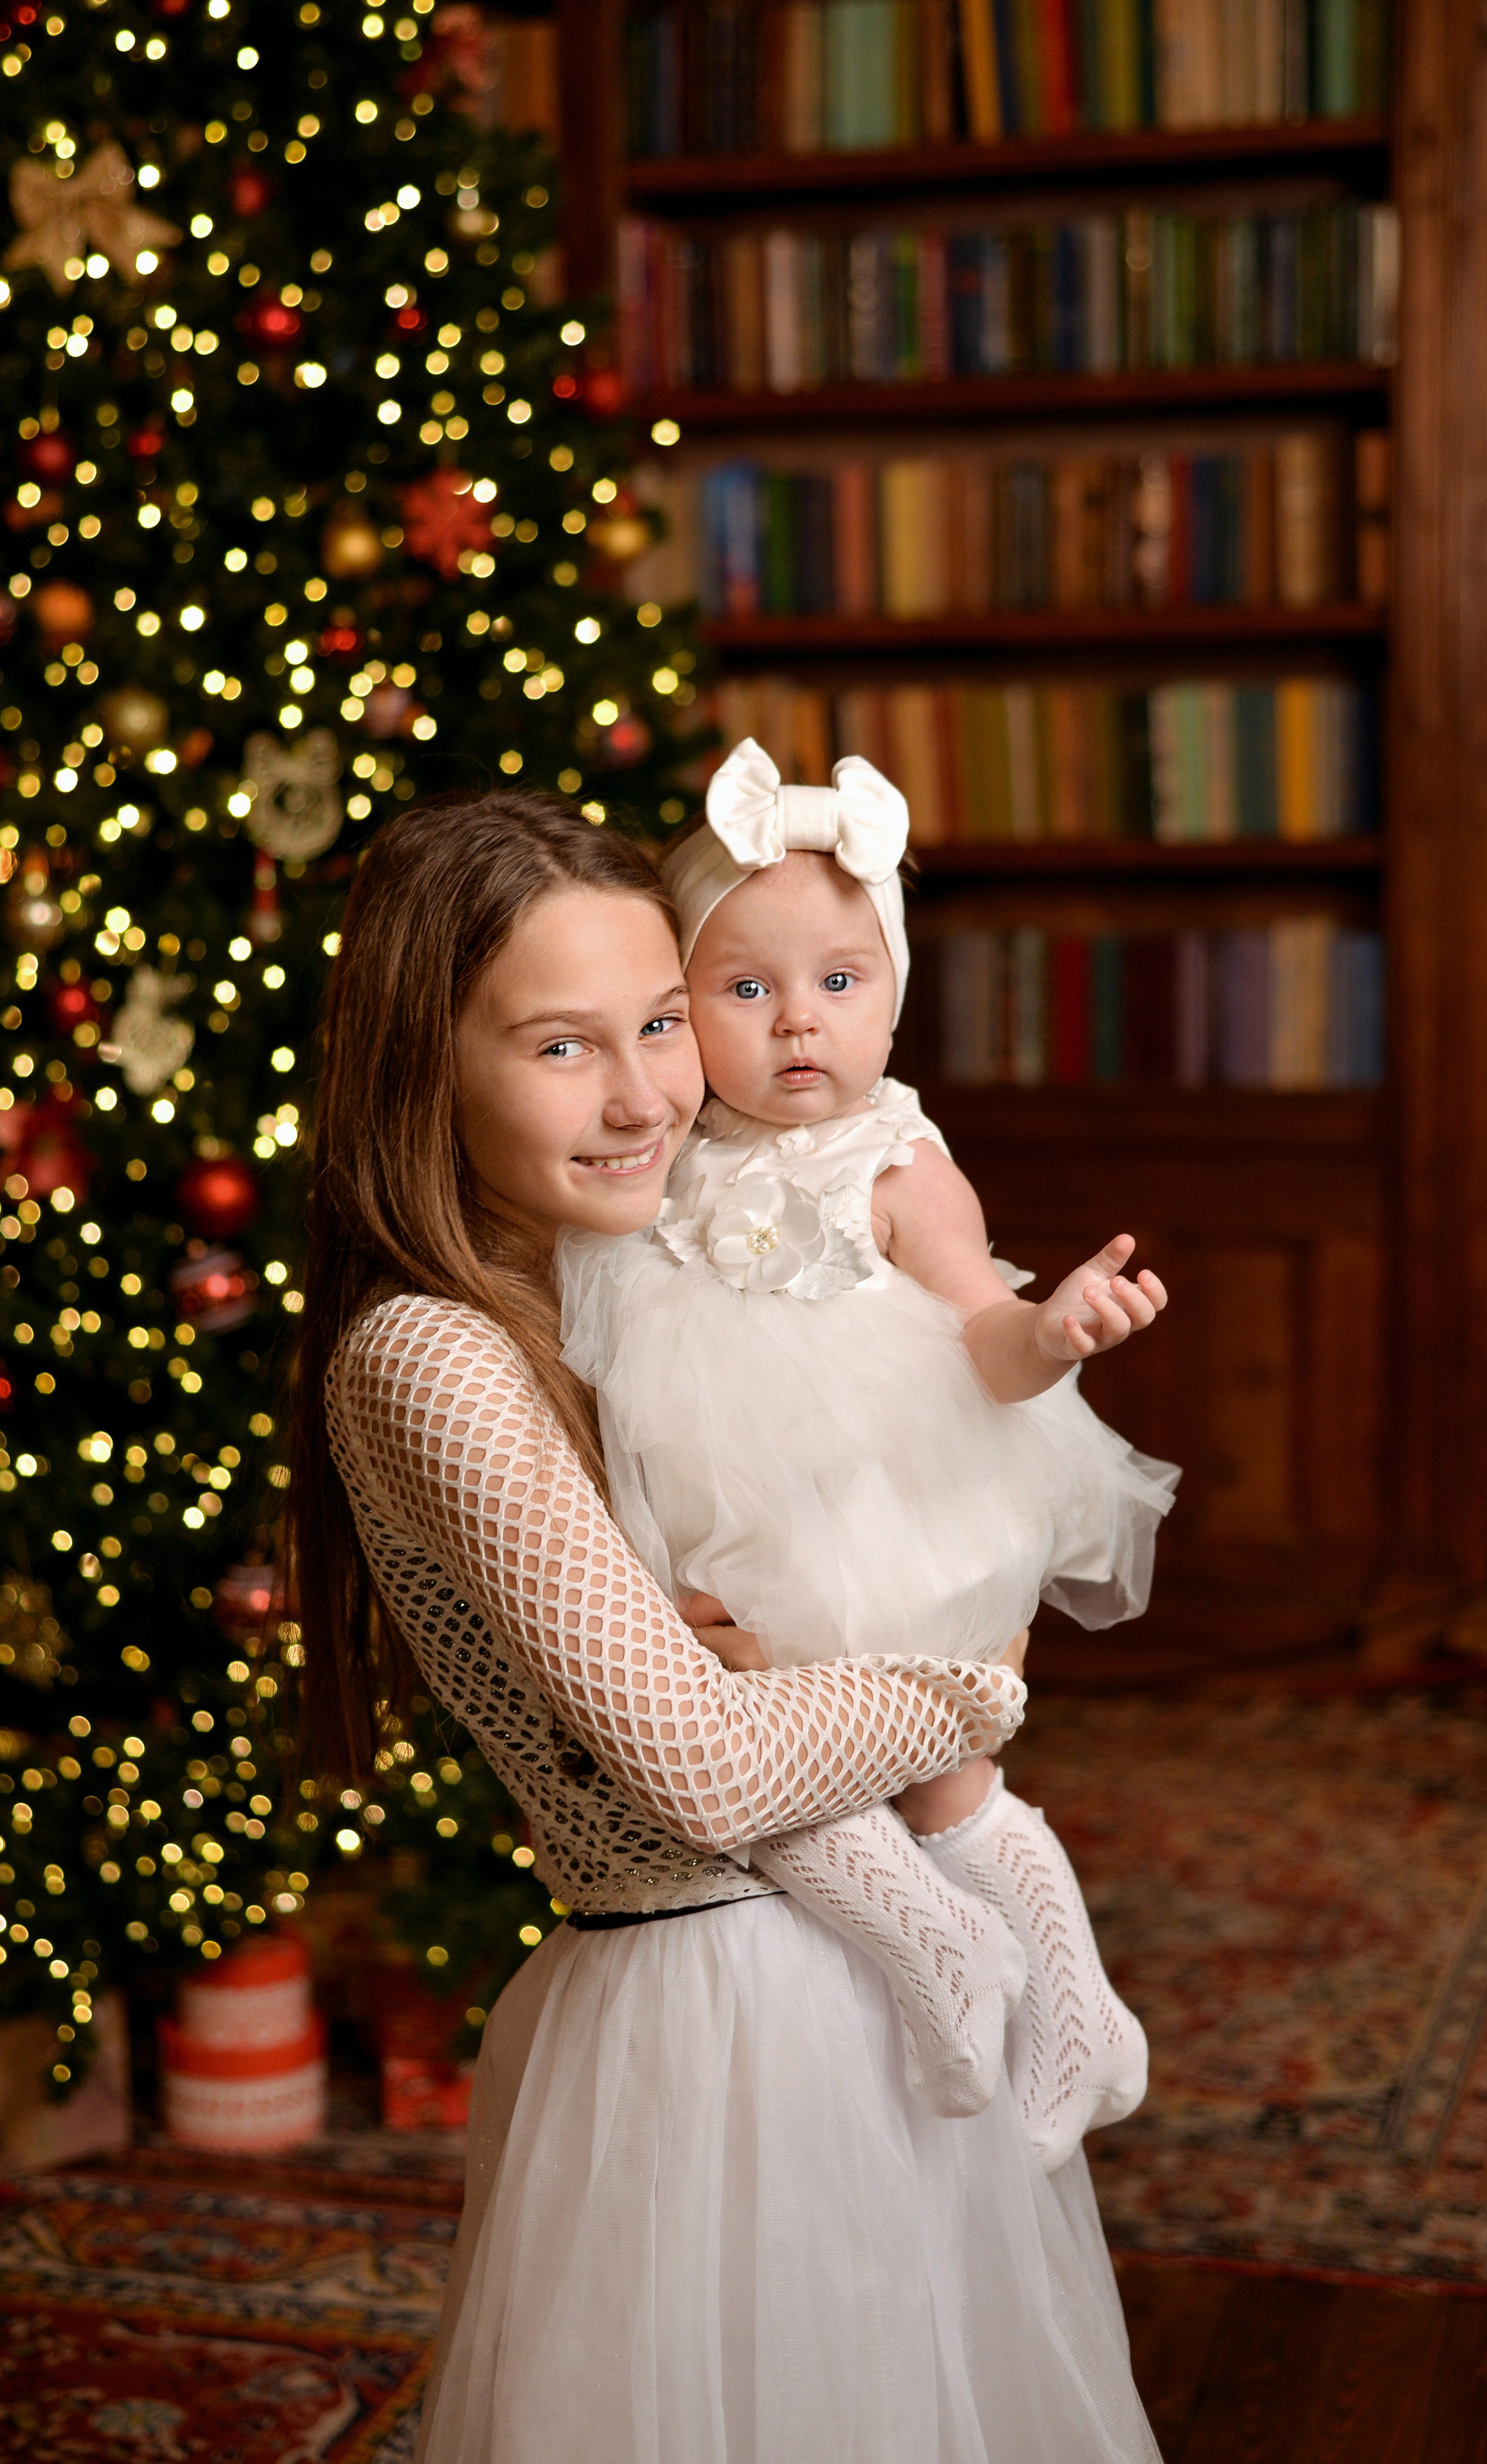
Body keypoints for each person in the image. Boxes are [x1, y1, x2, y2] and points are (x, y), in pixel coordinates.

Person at [290, 790, 1162, 2463]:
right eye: (560, 1046)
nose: (642, 1097)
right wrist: (971, 1685)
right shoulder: (433, 1352)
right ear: (423, 1068)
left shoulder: (642, 1258)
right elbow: (705, 1769)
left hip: (869, 1991)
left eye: (658, 1022)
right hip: (721, 2010)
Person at [560, 739, 1180, 2174]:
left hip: (879, 1508)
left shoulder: (899, 1162)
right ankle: (950, 1955)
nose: (798, 1021)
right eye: (744, 989)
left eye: (840, 982)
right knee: (748, 1748)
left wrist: (1054, 1331)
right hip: (729, 1525)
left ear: (893, 996)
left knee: (948, 1777)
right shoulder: (666, 1148)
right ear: (680, 1014)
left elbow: (980, 1335)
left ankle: (1069, 2007)